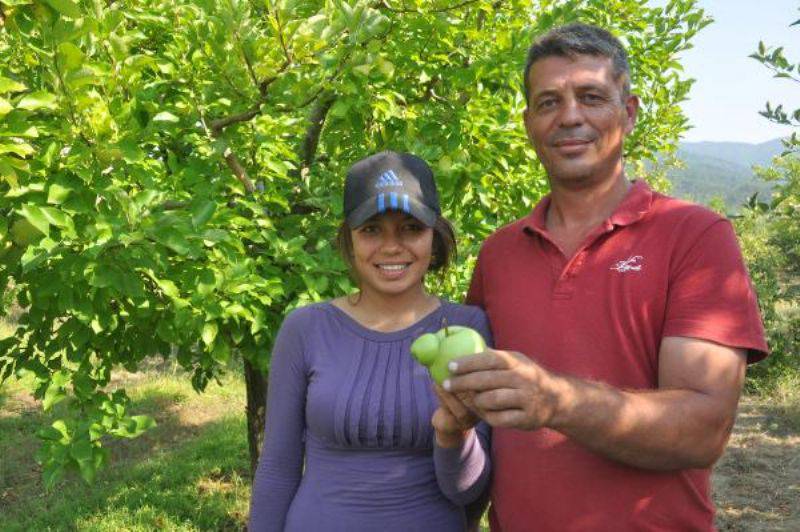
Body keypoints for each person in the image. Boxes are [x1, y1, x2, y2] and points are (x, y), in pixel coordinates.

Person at [442, 23, 769, 531]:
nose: (569, 116)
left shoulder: (696, 236)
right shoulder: (499, 253)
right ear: (528, 122)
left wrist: (556, 400)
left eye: (591, 96)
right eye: (548, 102)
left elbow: (704, 431)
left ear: (629, 112)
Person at [248, 151, 492, 531]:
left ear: (435, 235)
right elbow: (278, 470)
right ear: (349, 237)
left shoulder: (468, 329)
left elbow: (468, 492)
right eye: (372, 229)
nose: (391, 246)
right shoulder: (306, 329)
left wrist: (453, 432)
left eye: (411, 228)